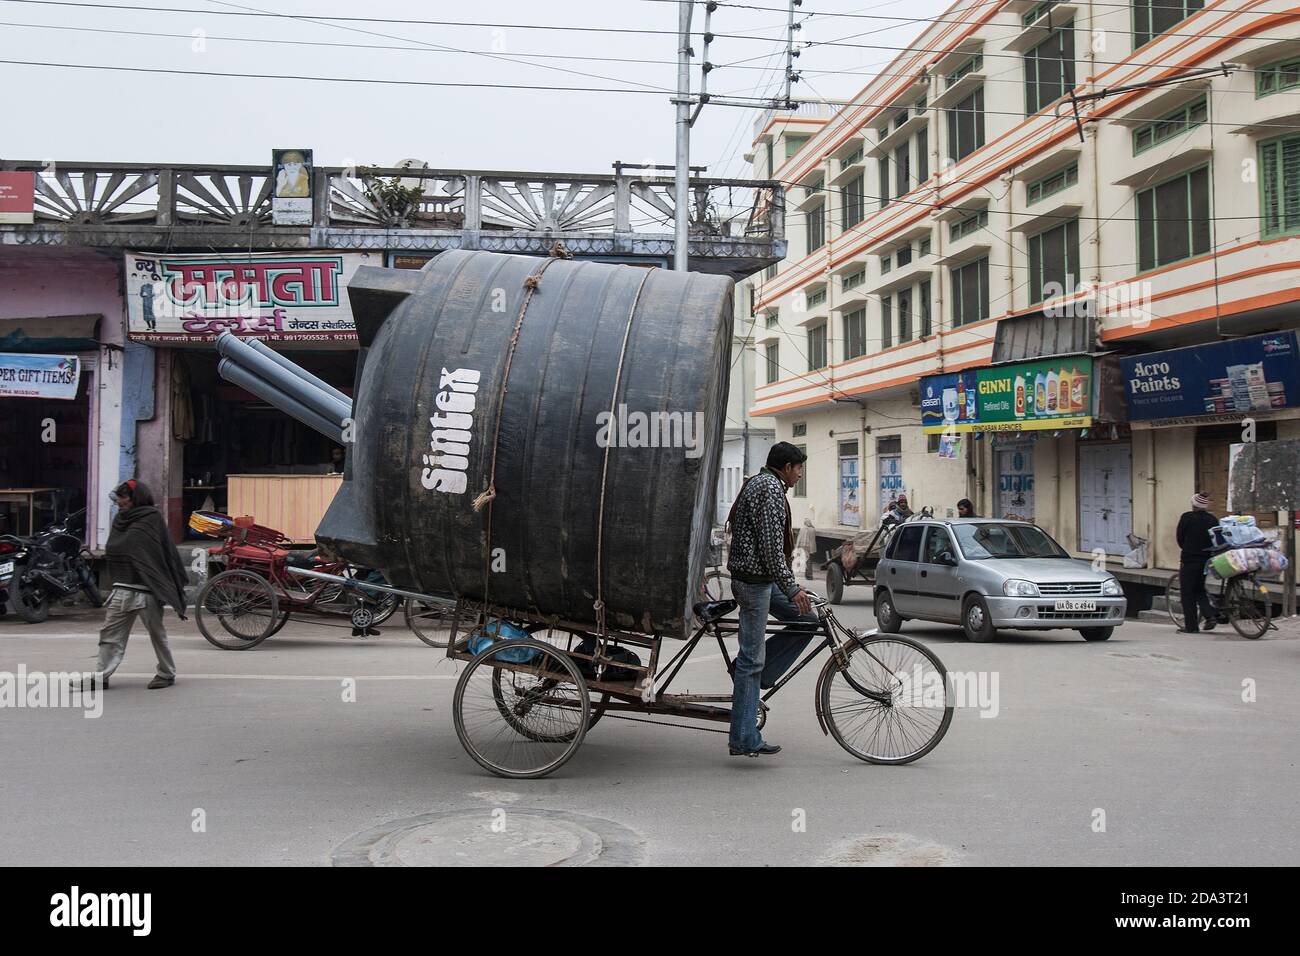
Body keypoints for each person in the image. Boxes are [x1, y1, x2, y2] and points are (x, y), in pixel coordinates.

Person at [724, 442, 818, 757]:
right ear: (787, 467)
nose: (800, 474)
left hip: (761, 579)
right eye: (798, 468)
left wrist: (792, 588)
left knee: (807, 619)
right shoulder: (769, 490)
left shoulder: (763, 484)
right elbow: (769, 548)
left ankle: (759, 672)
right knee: (751, 660)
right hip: (753, 583)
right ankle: (743, 738)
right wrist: (792, 588)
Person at [93, 480, 189, 689]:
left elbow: (159, 552)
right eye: (119, 497)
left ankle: (166, 673)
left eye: (123, 497)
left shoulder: (151, 519)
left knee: (157, 634)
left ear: (134, 498)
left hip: (147, 590)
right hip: (121, 588)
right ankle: (101, 677)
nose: (119, 501)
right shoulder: (120, 519)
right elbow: (116, 547)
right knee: (110, 634)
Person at [1176, 491, 1219, 633]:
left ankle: (1191, 626)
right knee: (1199, 589)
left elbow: (1180, 538)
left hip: (1189, 559)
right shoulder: (1212, 519)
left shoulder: (1187, 517)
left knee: (1187, 592)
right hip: (1206, 560)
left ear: (1193, 504)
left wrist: (1188, 548)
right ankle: (1210, 615)